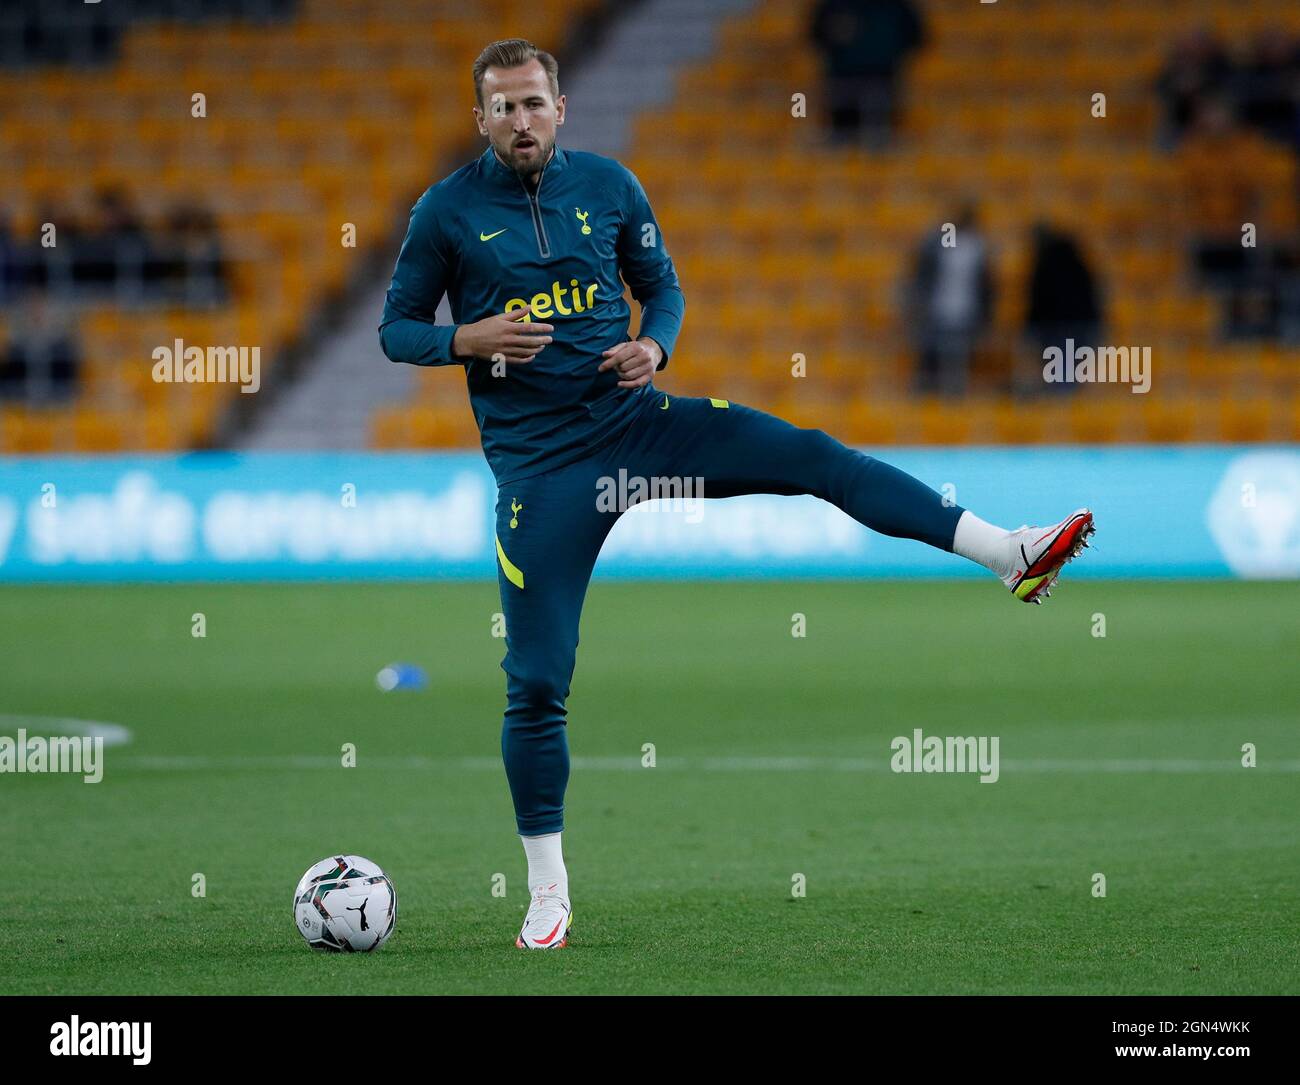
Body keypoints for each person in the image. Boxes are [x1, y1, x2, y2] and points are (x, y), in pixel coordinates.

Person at [378, 39, 1094, 950]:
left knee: (813, 456)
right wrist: (466, 340)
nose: (521, 120)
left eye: (534, 103)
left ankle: (1008, 553)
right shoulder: (446, 211)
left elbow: (662, 288)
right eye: (503, 107)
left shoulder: (610, 187)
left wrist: (658, 345)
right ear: (480, 117)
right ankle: (548, 891)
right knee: (537, 685)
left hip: (640, 427)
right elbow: (397, 328)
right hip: (545, 471)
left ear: (562, 108)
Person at [809, 0, 924, 146]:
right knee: (841, 137)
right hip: (842, 79)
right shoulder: (833, 5)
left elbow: (917, 37)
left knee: (879, 139)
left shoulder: (897, 6)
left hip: (883, 79)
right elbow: (815, 36)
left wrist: (889, 56)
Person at [907, 203, 994, 396]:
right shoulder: (939, 242)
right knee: (932, 354)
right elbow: (923, 273)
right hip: (938, 308)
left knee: (958, 354)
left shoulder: (977, 246)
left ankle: (953, 392)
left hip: (966, 310)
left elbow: (986, 284)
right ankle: (929, 392)